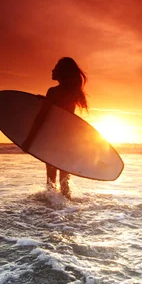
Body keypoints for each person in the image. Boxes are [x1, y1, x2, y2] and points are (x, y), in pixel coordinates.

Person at [42, 57, 89, 198]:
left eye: (55, 67)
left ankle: (51, 209)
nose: (52, 70)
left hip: (54, 139)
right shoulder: (72, 94)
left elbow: (43, 118)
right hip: (69, 140)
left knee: (51, 180)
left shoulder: (53, 92)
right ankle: (66, 211)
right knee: (65, 183)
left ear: (62, 72)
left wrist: (29, 140)